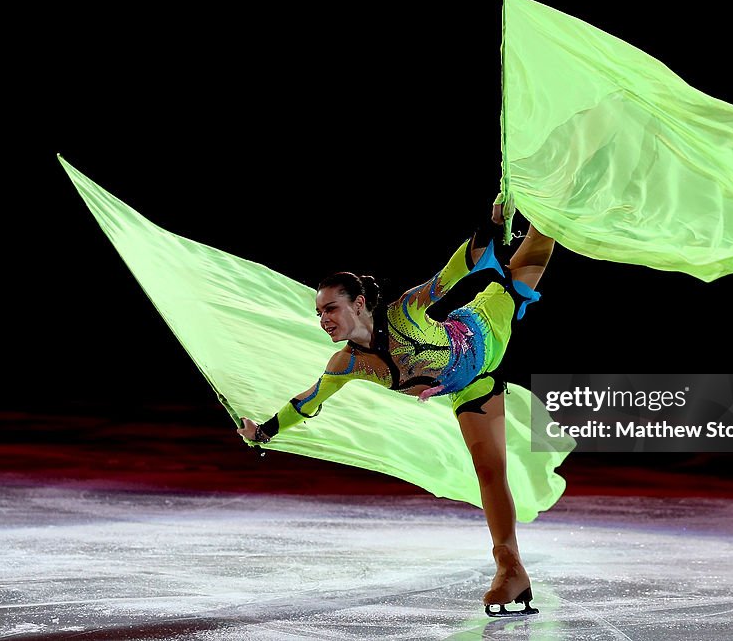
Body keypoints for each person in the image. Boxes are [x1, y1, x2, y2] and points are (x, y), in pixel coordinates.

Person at [230, 201, 555, 616]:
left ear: (359, 303)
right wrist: (264, 431)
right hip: (471, 386)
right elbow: (307, 401)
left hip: (486, 324)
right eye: (319, 312)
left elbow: (455, 270)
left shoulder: (405, 310)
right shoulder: (347, 364)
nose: (323, 319)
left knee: (544, 233)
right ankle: (510, 568)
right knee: (489, 469)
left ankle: (560, 185)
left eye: (331, 308)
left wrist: (492, 223)